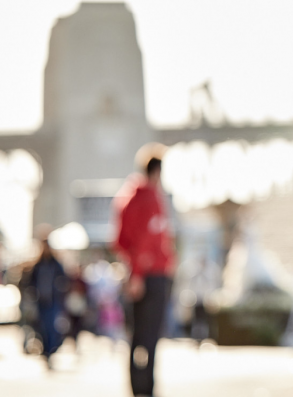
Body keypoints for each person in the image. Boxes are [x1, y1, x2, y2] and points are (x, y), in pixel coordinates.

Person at [114, 144, 175, 397]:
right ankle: (146, 389)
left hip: (138, 275)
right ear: (158, 171)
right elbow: (144, 241)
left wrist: (133, 271)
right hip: (151, 277)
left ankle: (138, 387)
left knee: (137, 335)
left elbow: (120, 240)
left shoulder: (127, 197)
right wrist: (139, 273)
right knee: (149, 336)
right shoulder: (149, 198)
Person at [20, 231, 68, 367]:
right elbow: (29, 282)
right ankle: (46, 351)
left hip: (53, 301)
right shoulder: (37, 265)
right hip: (41, 301)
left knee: (52, 327)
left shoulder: (56, 264)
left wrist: (60, 290)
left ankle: (51, 351)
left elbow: (64, 280)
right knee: (42, 328)